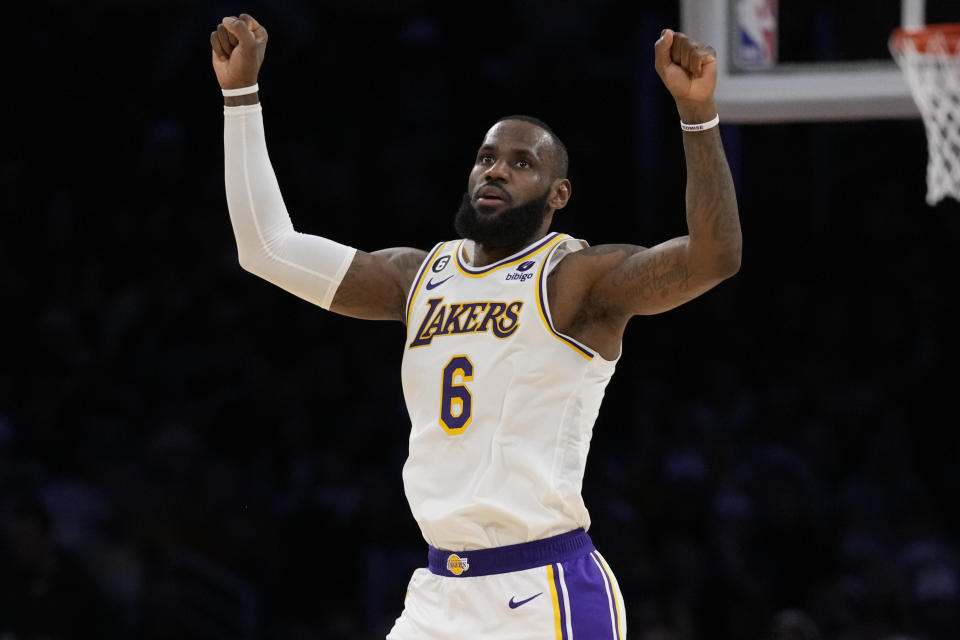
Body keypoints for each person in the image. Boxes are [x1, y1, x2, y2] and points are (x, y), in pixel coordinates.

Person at [211, 12, 741, 639]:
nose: (496, 170)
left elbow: (714, 257)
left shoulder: (575, 280)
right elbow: (266, 248)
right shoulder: (417, 278)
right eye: (487, 157)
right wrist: (240, 96)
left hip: (543, 590)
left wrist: (697, 116)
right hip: (440, 593)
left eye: (522, 164)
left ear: (558, 194)